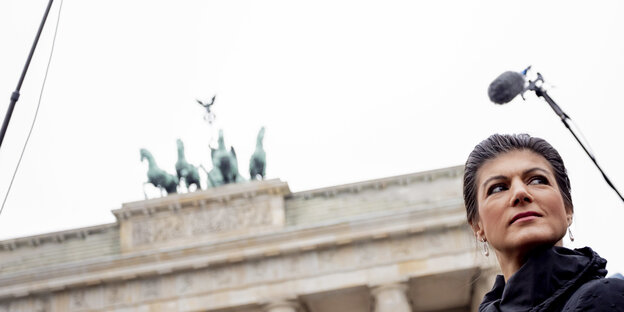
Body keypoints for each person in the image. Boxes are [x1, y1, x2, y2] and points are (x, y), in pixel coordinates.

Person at [463, 133, 624, 311]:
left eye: (538, 180)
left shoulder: (607, 297)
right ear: (478, 226)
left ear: (568, 209)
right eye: (498, 188)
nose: (520, 193)